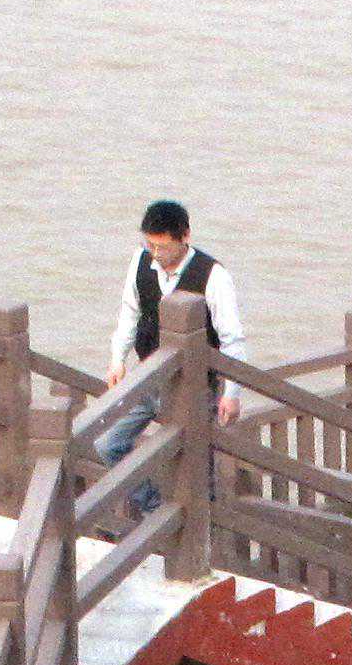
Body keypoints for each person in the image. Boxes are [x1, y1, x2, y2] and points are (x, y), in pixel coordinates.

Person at [91, 198, 248, 465]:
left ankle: (199, 506)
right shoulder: (140, 262)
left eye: (162, 246)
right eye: (149, 245)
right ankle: (152, 506)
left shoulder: (214, 276)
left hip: (197, 386)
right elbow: (130, 313)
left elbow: (231, 339)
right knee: (107, 445)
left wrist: (231, 394)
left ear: (185, 236)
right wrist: (117, 360)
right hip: (150, 377)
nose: (155, 253)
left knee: (194, 465)